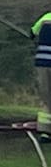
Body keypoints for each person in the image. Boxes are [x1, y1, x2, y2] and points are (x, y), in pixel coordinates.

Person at [30, 11, 51, 140]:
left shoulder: (45, 18)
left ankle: (45, 131)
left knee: (46, 96)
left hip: (42, 62)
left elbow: (32, 33)